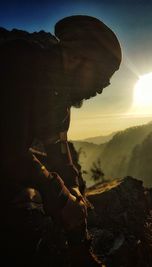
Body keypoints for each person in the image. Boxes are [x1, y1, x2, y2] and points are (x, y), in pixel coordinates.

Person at [0, 15, 121, 266]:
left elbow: (57, 146)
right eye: (101, 75)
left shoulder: (59, 98)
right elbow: (8, 150)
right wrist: (58, 193)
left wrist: (73, 187)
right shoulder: (16, 64)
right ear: (77, 58)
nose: (102, 88)